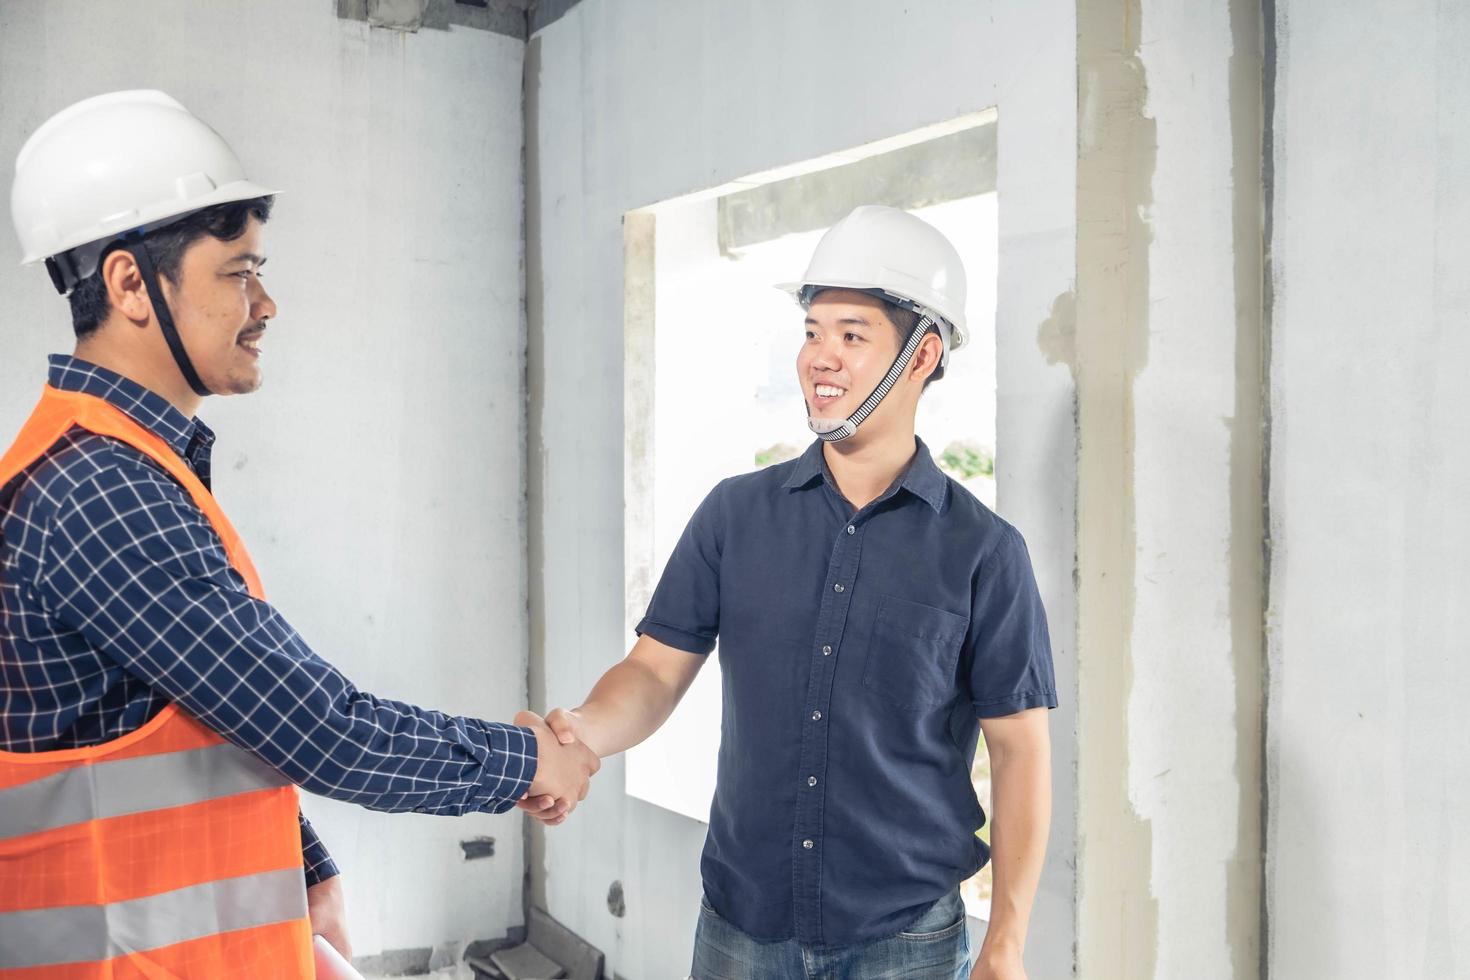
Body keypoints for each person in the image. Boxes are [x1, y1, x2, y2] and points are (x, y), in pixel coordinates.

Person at [0, 90, 597, 978]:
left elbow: (192, 719)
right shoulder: (102, 491)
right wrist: (531, 761)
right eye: (238, 272)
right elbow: (324, 730)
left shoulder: (115, 467)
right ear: (131, 284)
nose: (267, 302)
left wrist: (304, 862)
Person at [521, 206, 1057, 980]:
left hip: (903, 939)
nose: (820, 358)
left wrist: (1005, 942)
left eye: (851, 334)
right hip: (743, 926)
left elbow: (1019, 753)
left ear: (923, 354)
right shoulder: (735, 515)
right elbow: (652, 671)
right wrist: (582, 737)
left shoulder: (985, 553)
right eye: (812, 332)